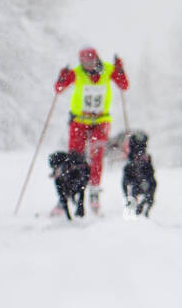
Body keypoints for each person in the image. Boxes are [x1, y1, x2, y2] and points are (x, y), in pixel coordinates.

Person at [54, 47, 129, 214]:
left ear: (96, 58)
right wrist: (62, 77)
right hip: (79, 119)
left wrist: (120, 70)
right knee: (74, 157)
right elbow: (59, 89)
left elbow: (123, 86)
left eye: (91, 60)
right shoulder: (76, 73)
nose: (88, 64)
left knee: (97, 153)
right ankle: (65, 196)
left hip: (100, 120)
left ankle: (94, 192)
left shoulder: (108, 70)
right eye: (85, 61)